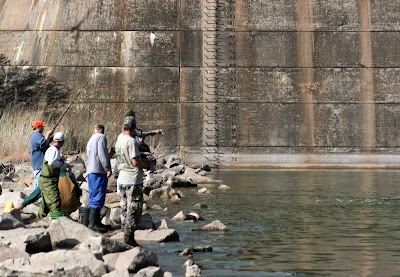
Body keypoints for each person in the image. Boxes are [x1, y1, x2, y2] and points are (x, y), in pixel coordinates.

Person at [115, 116, 148, 246]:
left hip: (122, 179)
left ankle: (124, 232)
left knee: (124, 207)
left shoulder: (119, 140)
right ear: (133, 128)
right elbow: (135, 162)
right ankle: (129, 237)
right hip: (133, 180)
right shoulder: (131, 141)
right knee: (134, 208)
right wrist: (145, 165)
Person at [86, 124, 112, 232]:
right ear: (102, 130)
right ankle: (93, 224)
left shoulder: (91, 139)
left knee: (93, 195)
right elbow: (102, 154)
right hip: (98, 171)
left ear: (95, 130)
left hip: (91, 171)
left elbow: (88, 153)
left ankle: (96, 222)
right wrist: (107, 168)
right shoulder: (101, 137)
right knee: (98, 196)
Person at [39, 132, 69, 220]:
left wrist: (64, 166)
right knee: (55, 202)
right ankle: (56, 224)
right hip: (48, 181)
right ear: (62, 142)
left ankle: (39, 221)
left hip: (45, 179)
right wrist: (63, 163)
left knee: (45, 204)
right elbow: (52, 162)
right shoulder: (54, 150)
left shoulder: (51, 149)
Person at [30, 120, 53, 190]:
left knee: (41, 182)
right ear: (37, 127)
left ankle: (39, 198)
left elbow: (46, 142)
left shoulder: (39, 136)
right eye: (42, 127)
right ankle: (38, 199)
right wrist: (48, 134)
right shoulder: (36, 136)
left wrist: (50, 136)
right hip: (39, 163)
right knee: (39, 182)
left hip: (40, 163)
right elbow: (43, 144)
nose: (43, 128)